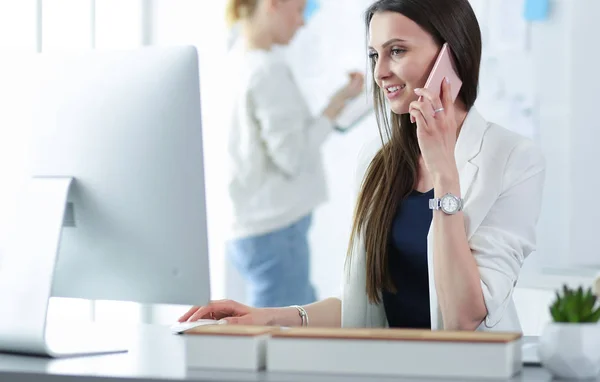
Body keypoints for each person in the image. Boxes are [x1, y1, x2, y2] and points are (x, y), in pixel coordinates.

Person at [183, 0, 545, 331]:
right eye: (374, 55)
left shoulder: (515, 159)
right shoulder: (378, 159)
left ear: (451, 56)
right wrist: (267, 316)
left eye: (397, 51)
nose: (379, 72)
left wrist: (445, 176)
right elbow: (364, 308)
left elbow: (464, 317)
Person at [221, 0, 365, 308]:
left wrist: (338, 100)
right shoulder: (266, 70)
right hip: (276, 233)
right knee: (284, 343)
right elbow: (292, 157)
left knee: (302, 325)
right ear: (274, 4)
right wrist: (333, 109)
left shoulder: (238, 59)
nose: (302, 23)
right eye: (299, 11)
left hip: (254, 230)